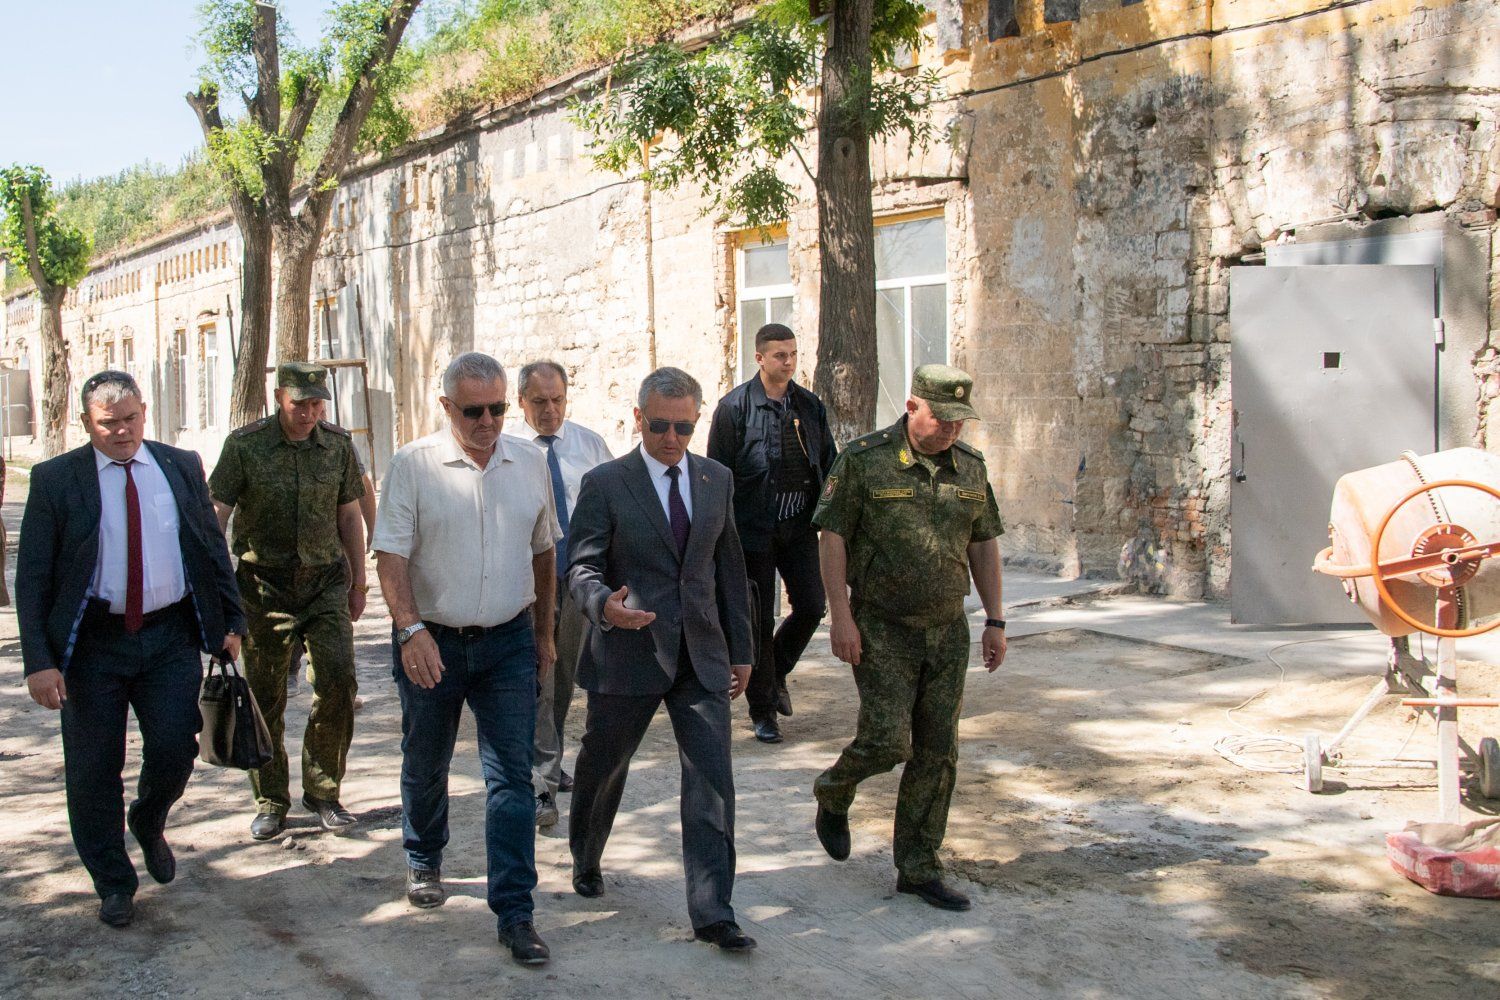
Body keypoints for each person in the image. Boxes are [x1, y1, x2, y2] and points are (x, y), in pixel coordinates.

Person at [17, 370, 244, 928]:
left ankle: (148, 817)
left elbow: (209, 546)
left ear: (144, 411)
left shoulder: (179, 465)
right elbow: (33, 577)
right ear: (86, 423)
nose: (121, 432)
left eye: (130, 419)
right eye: (107, 424)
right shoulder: (56, 479)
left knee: (176, 746)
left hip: (169, 636)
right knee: (94, 767)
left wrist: (230, 620)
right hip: (93, 644)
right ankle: (114, 882)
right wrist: (40, 661)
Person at [373, 352, 559, 967]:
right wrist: (409, 630)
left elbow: (544, 552)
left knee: (512, 777)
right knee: (427, 758)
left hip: (508, 642)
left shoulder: (529, 462)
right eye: (474, 411)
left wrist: (544, 633)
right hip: (433, 641)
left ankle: (516, 912)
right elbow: (391, 556)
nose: (488, 422)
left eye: (498, 409)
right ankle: (424, 854)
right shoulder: (414, 464)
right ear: (446, 406)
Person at [566, 367, 757, 951]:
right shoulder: (605, 483)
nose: (671, 437)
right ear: (638, 419)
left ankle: (713, 911)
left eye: (683, 427)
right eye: (658, 426)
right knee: (604, 765)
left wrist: (743, 650)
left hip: (701, 655)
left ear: (696, 422)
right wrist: (603, 604)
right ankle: (586, 854)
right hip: (629, 651)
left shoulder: (716, 479)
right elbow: (581, 566)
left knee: (712, 781)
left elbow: (730, 571)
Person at [810, 364, 1007, 913]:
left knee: (938, 751)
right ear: (913, 406)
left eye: (959, 422)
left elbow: (983, 543)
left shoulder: (970, 467)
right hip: (881, 626)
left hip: (947, 629)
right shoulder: (864, 460)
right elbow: (832, 537)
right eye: (942, 419)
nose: (951, 430)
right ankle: (834, 790)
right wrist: (840, 616)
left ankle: (918, 866)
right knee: (888, 741)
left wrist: (995, 620)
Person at [210, 362, 368, 841]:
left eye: (317, 404)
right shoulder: (245, 446)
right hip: (263, 589)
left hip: (324, 585)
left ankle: (323, 792)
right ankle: (271, 799)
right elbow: (217, 514)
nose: (309, 413)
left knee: (338, 682)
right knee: (264, 696)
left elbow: (349, 516)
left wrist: (360, 583)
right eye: (300, 403)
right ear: (279, 396)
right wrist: (217, 591)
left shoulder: (337, 446)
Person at [707, 323, 836, 744]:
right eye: (780, 355)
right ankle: (763, 711)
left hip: (798, 526)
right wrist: (719, 534)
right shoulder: (734, 408)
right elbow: (717, 474)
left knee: (812, 605)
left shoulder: (809, 406)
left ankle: (776, 670)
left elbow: (829, 462)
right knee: (758, 620)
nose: (789, 362)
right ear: (760, 358)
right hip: (752, 530)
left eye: (793, 353)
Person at [511, 360, 613, 828]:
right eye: (539, 402)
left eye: (557, 400)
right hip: (530, 583)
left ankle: (549, 762)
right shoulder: (509, 451)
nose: (550, 410)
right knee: (540, 677)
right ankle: (541, 786)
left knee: (565, 677)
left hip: (577, 581)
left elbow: (612, 507)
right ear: (521, 402)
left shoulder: (590, 446)